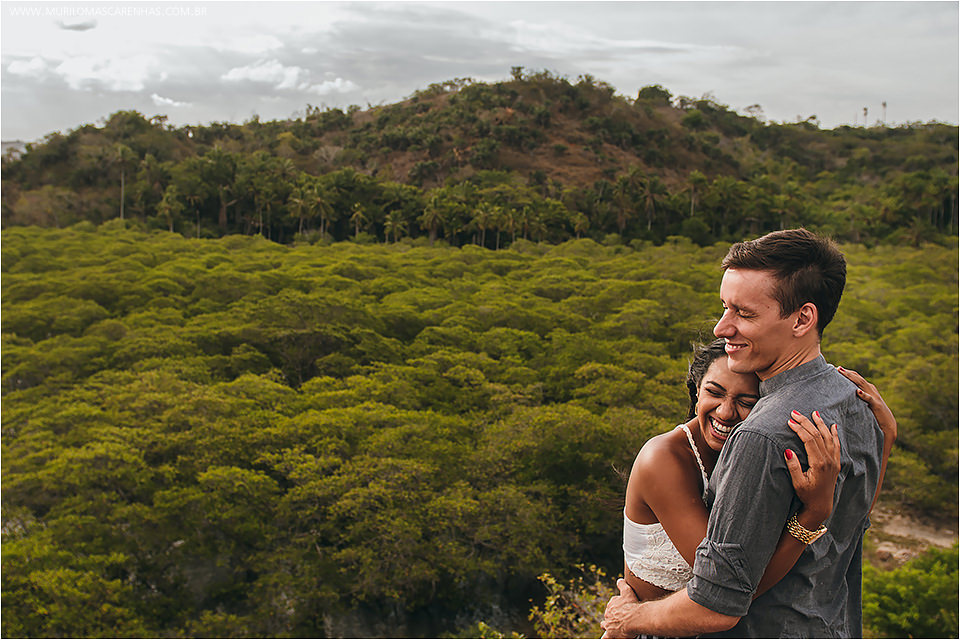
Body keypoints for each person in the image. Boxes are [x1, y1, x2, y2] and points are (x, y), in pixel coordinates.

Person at [602, 228, 893, 638]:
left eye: (744, 313)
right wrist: (886, 442)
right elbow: (855, 525)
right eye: (725, 308)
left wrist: (628, 618)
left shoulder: (762, 435)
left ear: (803, 318)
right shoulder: (857, 402)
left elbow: (717, 607)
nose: (722, 328)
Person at [618, 339, 895, 609]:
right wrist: (813, 514)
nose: (725, 412)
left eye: (746, 401)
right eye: (714, 392)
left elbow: (847, 529)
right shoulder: (664, 459)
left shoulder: (758, 456)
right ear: (697, 391)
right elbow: (731, 588)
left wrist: (885, 438)